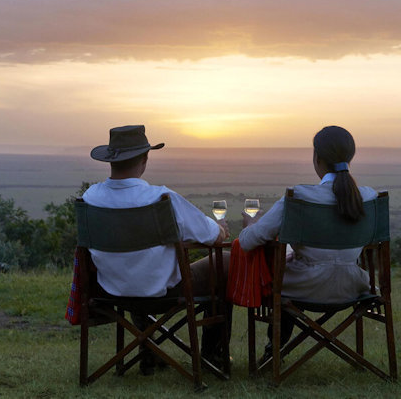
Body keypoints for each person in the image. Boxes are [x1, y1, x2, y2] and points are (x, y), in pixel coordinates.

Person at [82, 124, 231, 375]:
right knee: (225, 261)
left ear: (110, 160)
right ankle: (212, 356)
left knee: (141, 267)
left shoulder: (90, 198)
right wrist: (222, 229)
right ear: (145, 159)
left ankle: (148, 350)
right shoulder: (161, 198)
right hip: (164, 292)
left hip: (110, 289)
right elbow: (213, 237)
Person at [237, 125, 377, 364]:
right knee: (292, 263)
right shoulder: (369, 197)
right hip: (354, 287)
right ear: (350, 158)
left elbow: (248, 242)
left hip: (305, 287)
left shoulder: (299, 197)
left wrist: (251, 223)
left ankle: (274, 352)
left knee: (283, 271)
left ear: (317, 159)